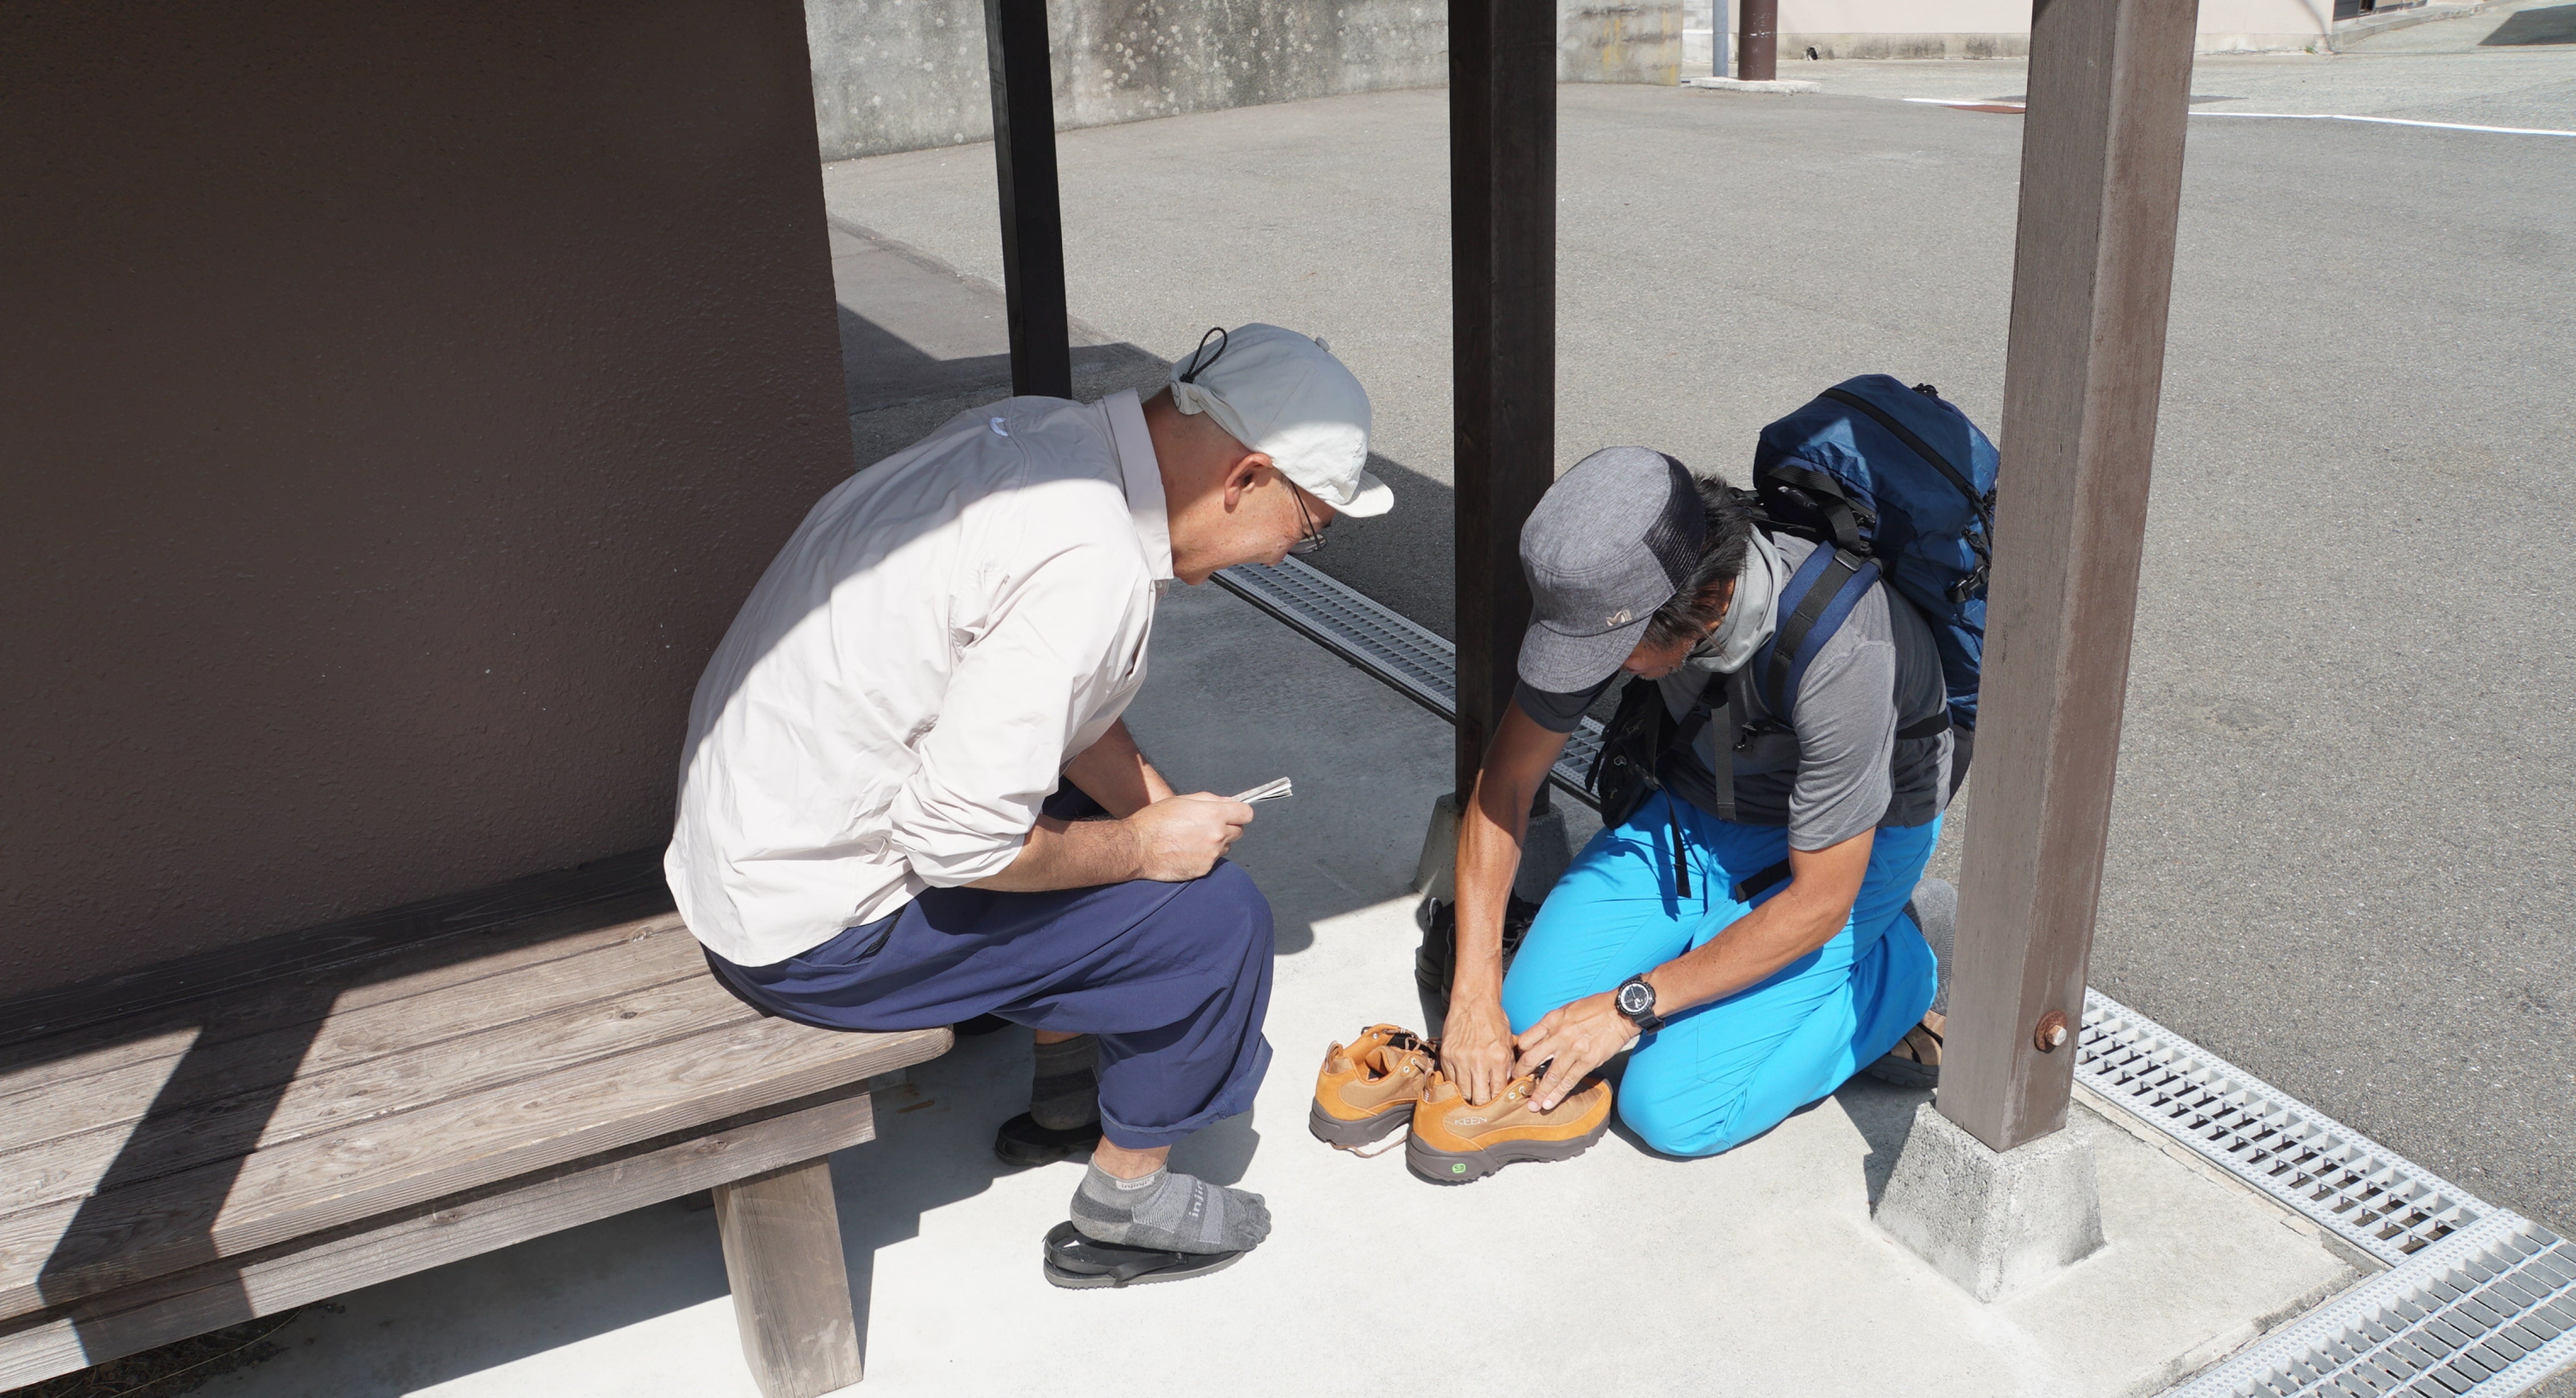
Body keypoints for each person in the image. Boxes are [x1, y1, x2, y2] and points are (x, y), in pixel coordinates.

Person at [664, 324, 1387, 1284]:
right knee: (1215, 923)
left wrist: (1161, 814)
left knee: (1110, 829)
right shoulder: (1083, 564)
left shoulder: (1043, 438)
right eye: (1307, 527)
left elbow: (1057, 708)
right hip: (809, 937)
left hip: (750, 861)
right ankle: (1124, 1207)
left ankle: (1063, 1101)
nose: (1282, 556)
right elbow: (962, 842)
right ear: (1246, 476)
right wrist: (1139, 850)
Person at [1438, 446, 1952, 1156]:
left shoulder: (1847, 648)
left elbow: (1818, 902)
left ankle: (1897, 966)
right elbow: (1508, 782)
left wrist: (1631, 1005)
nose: (1587, 673)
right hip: (1705, 808)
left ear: (1706, 604)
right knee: (1531, 1020)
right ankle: (1725, 928)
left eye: (1609, 653)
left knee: (1674, 1108)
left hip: (1848, 856)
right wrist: (1472, 990)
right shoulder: (1611, 583)